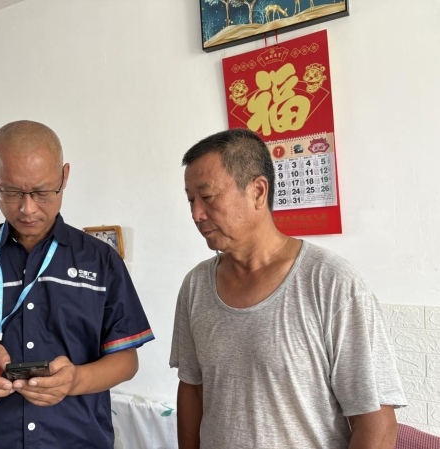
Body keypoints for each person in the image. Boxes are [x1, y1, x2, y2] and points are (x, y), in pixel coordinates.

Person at [0, 120, 154, 448]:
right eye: (10, 192)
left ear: (64, 176)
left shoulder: (101, 261)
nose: (27, 208)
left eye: (42, 192)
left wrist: (76, 380)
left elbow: (126, 360)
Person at [169, 128, 407, 449]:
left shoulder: (330, 282)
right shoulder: (195, 285)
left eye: (208, 196)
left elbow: (376, 422)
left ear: (258, 191)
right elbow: (193, 388)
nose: (196, 214)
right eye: (190, 200)